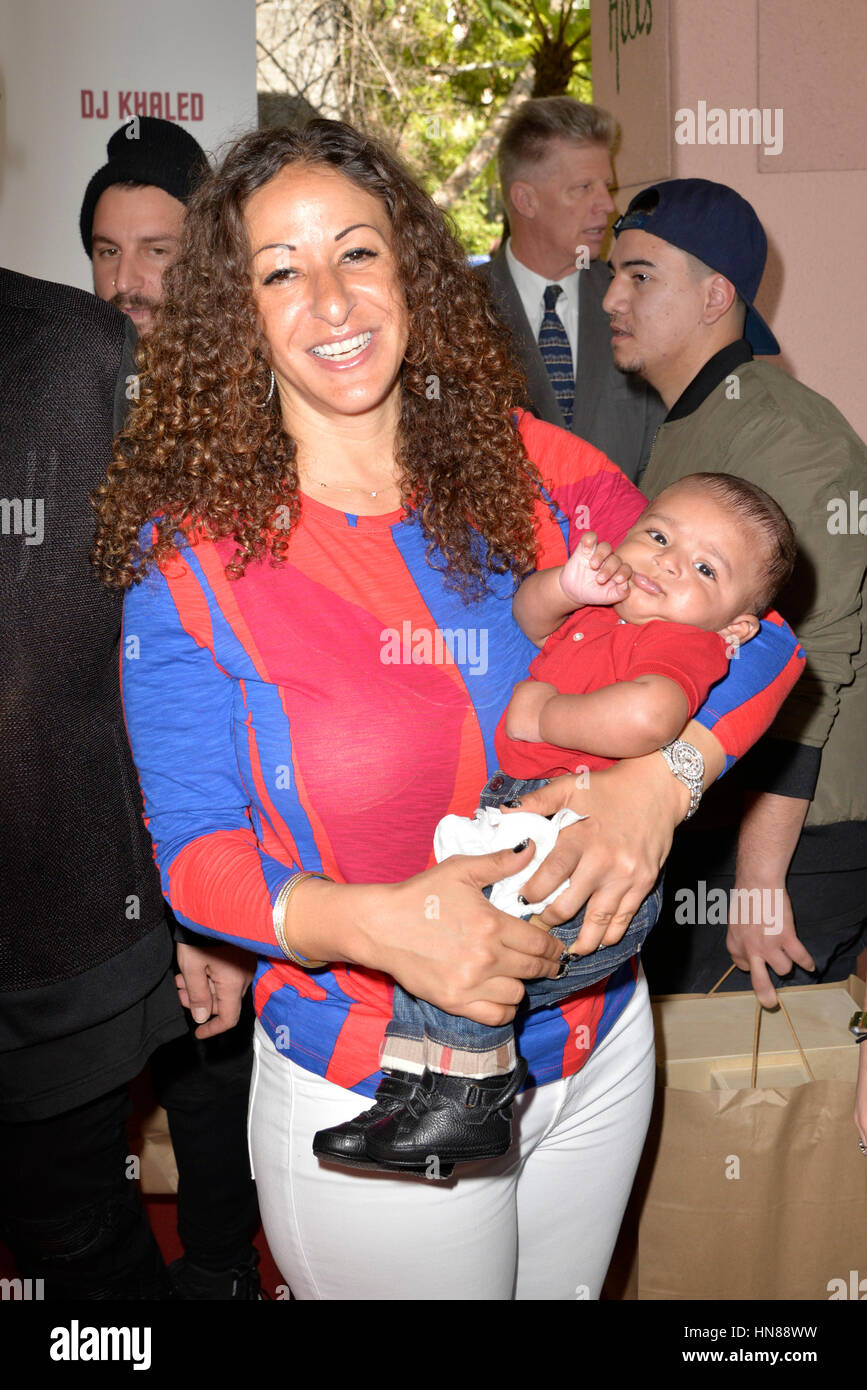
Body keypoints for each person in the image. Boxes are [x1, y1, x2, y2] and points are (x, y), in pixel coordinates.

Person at [94, 120, 803, 1301]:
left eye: (357, 253)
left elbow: (760, 635)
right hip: (378, 1077)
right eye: (281, 271)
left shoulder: (541, 472)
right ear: (237, 313)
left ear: (412, 270)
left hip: (598, 1046)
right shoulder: (192, 559)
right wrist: (378, 925)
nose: (330, 300)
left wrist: (658, 782)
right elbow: (201, 861)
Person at [316, 474, 797, 1174]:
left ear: (733, 627)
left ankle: (467, 1096)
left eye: (702, 568)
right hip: (519, 816)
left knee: (468, 952)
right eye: (657, 536)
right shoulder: (607, 614)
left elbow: (649, 717)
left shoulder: (687, 645)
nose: (665, 561)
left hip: (575, 840)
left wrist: (540, 717)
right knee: (431, 945)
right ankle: (412, 1091)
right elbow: (529, 616)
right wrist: (568, 587)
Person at [604, 179, 867, 1017]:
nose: (611, 297)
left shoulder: (786, 434)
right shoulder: (690, 423)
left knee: (771, 1119)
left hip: (797, 840)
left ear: (716, 294)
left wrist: (757, 878)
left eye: (640, 276)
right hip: (718, 811)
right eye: (613, 274)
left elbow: (812, 659)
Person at [79, 117, 263, 1301]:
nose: (127, 281)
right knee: (87, 1079)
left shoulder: (246, 409)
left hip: (208, 792)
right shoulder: (51, 382)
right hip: (86, 809)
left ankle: (216, 1269)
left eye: (155, 252)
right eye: (106, 251)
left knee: (211, 1065)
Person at [477, 97, 665, 482]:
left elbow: (659, 458)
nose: (608, 206)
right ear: (525, 200)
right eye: (583, 188)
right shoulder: (454, 312)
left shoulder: (637, 304)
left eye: (606, 187)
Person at [81, 115, 209, 335]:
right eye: (110, 252)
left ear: (207, 260)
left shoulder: (253, 366)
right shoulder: (59, 364)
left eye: (156, 251)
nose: (123, 283)